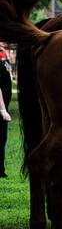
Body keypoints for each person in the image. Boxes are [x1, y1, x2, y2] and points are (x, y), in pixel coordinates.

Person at [0, 42, 12, 178]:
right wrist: (2, 109)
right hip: (1, 108)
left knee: (2, 138)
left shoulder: (4, 60)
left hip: (5, 106)